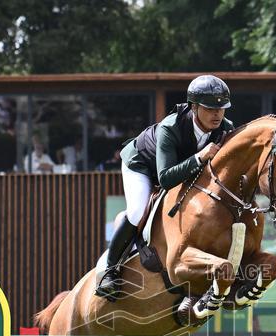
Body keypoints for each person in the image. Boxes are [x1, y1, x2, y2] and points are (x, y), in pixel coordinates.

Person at [95, 75, 235, 299]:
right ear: (194, 107)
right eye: (210, 108)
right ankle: (109, 272)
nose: (217, 114)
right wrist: (199, 158)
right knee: (138, 210)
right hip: (141, 165)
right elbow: (167, 178)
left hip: (178, 169)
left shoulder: (226, 130)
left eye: (221, 108)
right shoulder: (170, 128)